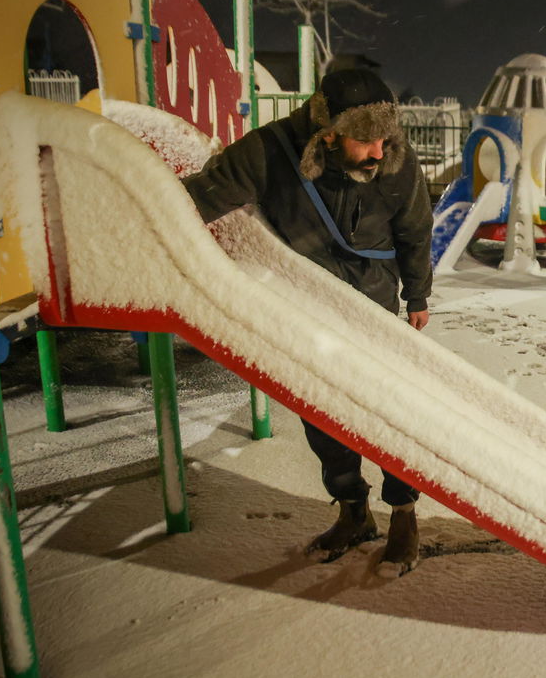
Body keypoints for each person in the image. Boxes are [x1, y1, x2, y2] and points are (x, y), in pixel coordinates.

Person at [183, 68, 433, 573]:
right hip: (305, 310)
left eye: (384, 137)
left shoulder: (396, 162)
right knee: (322, 415)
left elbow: (416, 231)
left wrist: (418, 295)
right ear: (329, 133)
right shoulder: (269, 152)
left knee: (389, 413)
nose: (380, 152)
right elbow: (197, 199)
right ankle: (353, 511)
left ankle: (404, 513)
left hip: (372, 310)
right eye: (366, 140)